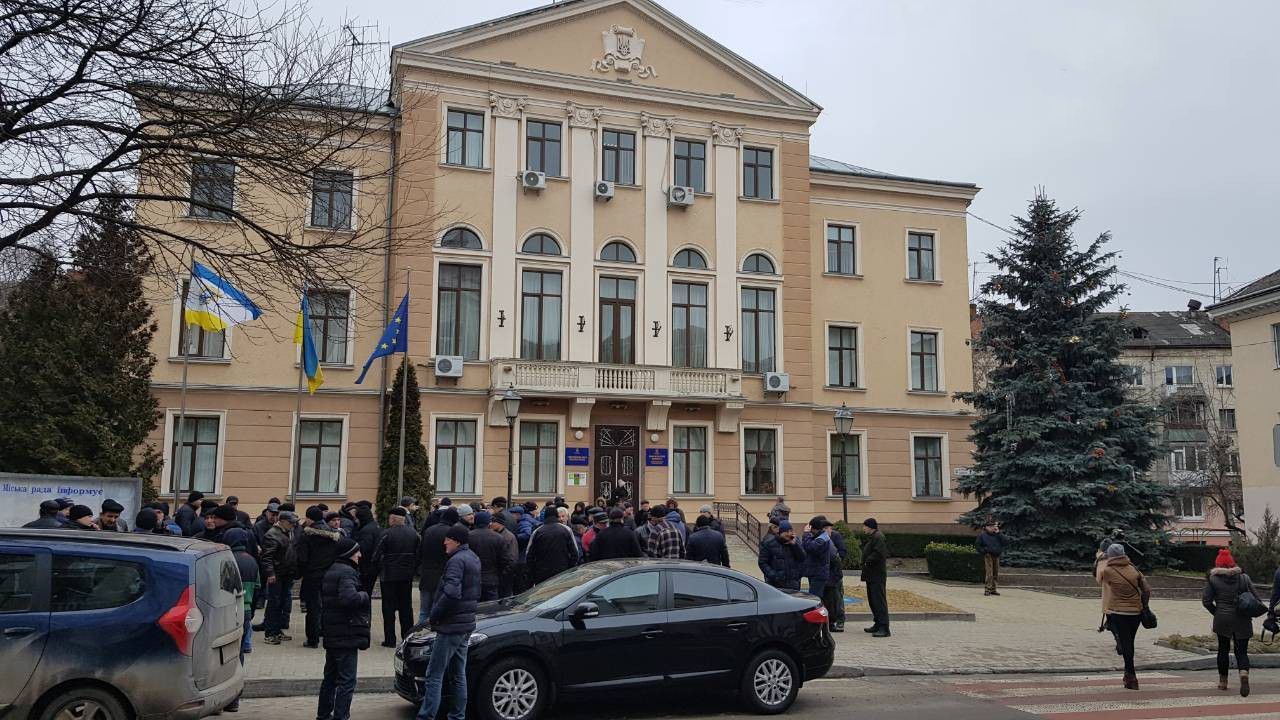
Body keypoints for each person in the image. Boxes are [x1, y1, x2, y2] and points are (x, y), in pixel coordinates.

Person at [414, 524, 480, 720]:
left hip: (451, 626)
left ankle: (426, 716)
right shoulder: (473, 557)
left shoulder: (456, 561)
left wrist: (434, 615)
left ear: (457, 541)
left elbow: (451, 593)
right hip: (466, 623)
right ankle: (457, 715)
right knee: (458, 674)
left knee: (434, 674)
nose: (444, 542)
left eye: (448, 539)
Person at [317, 538, 371, 720]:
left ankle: (323, 715)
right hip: (345, 633)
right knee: (347, 681)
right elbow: (349, 598)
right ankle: (341, 716)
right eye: (357, 552)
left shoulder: (332, 569)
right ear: (349, 554)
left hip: (333, 632)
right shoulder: (347, 572)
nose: (360, 555)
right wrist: (364, 595)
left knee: (330, 678)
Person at [1095, 543, 1151, 690]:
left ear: (1110, 556)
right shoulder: (1134, 569)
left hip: (1118, 612)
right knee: (1130, 641)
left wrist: (1100, 558)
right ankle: (1128, 674)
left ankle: (1131, 675)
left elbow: (1098, 578)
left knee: (1126, 643)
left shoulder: (1107, 570)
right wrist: (1144, 606)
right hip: (1136, 612)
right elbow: (1147, 589)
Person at [1203, 548, 1256, 696]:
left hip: (1222, 619)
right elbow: (1256, 598)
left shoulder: (1213, 579)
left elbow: (1206, 601)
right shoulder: (1244, 578)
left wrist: (1217, 612)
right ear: (1232, 563)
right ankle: (1243, 674)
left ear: (1218, 564)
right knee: (1242, 651)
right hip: (1242, 619)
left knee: (1223, 649)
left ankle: (1223, 681)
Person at [296, 507, 342, 648]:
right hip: (331, 575)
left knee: (313, 608)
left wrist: (300, 573)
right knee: (329, 606)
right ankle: (329, 636)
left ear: (310, 519)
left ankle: (313, 640)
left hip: (312, 576)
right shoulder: (334, 534)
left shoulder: (306, 535)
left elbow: (302, 558)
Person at [223, 528, 258, 712]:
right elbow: (258, 588)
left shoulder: (226, 560)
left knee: (224, 656)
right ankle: (235, 700)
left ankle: (222, 699)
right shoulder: (251, 560)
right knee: (239, 655)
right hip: (245, 610)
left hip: (226, 612)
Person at [375, 507, 420, 647]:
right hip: (406, 577)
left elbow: (376, 555)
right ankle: (407, 638)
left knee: (388, 609)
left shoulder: (386, 534)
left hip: (388, 577)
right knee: (406, 608)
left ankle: (390, 639)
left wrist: (379, 566)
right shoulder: (414, 534)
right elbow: (419, 554)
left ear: (393, 519)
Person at [260, 511, 298, 644]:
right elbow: (267, 557)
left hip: (286, 573)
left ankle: (277, 631)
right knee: (274, 603)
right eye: (290, 523)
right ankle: (270, 633)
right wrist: (270, 573)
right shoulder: (272, 535)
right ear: (281, 521)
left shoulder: (287, 532)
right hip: (277, 574)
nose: (293, 525)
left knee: (281, 602)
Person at [418, 507, 457, 624]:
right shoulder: (451, 533)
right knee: (438, 611)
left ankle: (419, 635)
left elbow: (420, 552)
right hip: (442, 577)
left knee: (424, 611)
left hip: (426, 576)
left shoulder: (429, 530)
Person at [466, 511, 512, 601]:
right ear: (488, 522)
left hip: (472, 578)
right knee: (490, 608)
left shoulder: (468, 536)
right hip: (491, 579)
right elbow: (505, 560)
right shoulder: (498, 538)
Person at [527, 506, 579, 584]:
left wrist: (534, 572)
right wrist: (569, 568)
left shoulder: (537, 531)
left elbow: (529, 555)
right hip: (562, 572)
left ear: (545, 516)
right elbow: (575, 553)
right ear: (557, 516)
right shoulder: (566, 530)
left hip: (542, 574)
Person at [860, 518, 889, 637]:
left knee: (879, 601)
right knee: (873, 601)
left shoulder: (878, 537)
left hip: (877, 575)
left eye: (865, 526)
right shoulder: (873, 537)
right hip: (871, 575)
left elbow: (879, 553)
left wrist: (867, 561)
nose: (863, 528)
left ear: (870, 527)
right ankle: (877, 624)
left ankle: (884, 627)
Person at [758, 520, 804, 590]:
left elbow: (802, 558)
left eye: (790, 531)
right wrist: (773, 575)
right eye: (786, 532)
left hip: (793, 583)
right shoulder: (769, 543)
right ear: (780, 533)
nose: (789, 534)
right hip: (776, 584)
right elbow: (762, 562)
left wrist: (795, 545)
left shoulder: (795, 541)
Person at [802, 516, 835, 602]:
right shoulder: (819, 537)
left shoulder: (822, 539)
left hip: (818, 574)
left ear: (814, 529)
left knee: (814, 599)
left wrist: (806, 534)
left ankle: (818, 615)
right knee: (815, 597)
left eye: (811, 529)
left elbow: (810, 547)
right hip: (816, 573)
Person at [488, 512, 519, 597]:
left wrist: (504, 574)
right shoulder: (493, 535)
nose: (490, 524)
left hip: (504, 577)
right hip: (496, 576)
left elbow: (512, 559)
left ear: (499, 523)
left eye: (493, 522)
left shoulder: (509, 537)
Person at [353, 506, 382, 593]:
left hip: (367, 567)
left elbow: (364, 549)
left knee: (364, 592)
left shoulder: (366, 530)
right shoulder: (376, 526)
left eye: (357, 518)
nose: (356, 521)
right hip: (374, 566)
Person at [976, 520, 1008, 596]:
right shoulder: (982, 535)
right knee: (989, 573)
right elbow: (978, 546)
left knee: (995, 573)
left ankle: (993, 589)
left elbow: (1005, 542)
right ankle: (987, 589)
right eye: (990, 526)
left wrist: (999, 533)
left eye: (993, 526)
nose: (992, 528)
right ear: (986, 527)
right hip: (988, 555)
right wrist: (984, 551)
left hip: (996, 555)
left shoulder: (998, 534)